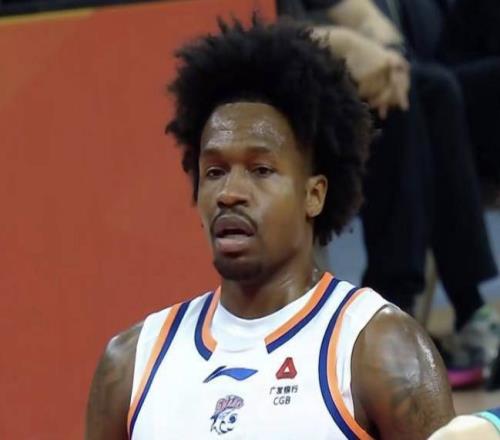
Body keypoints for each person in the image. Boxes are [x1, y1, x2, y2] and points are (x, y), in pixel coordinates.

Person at [85, 18, 455, 439]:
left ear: (314, 195)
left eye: (260, 170)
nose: (229, 193)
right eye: (214, 172)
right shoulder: (129, 365)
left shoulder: (380, 350)